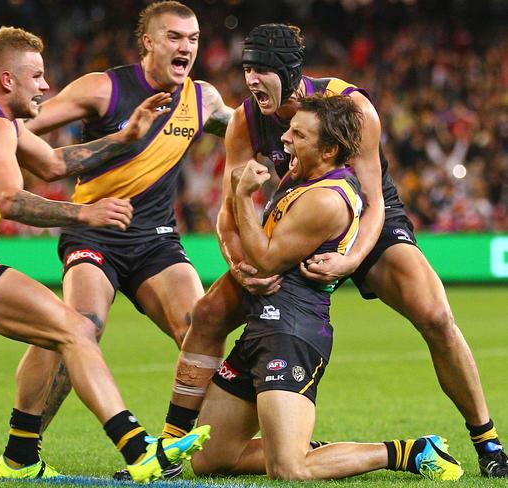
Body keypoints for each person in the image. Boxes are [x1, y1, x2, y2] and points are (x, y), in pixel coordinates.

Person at [164, 23, 508, 478]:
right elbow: (229, 208)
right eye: (247, 68)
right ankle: (168, 450)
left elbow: (373, 201)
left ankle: (487, 441)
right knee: (208, 314)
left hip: (364, 219)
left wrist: (349, 259)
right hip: (299, 219)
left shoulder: (351, 108)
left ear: (288, 71)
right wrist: (238, 264)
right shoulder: (247, 121)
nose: (250, 79)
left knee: (436, 316)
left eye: (261, 69)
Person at [0, 26, 209, 482]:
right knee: (75, 330)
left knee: (56, 331)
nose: (46, 87)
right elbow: (11, 200)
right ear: (8, 80)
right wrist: (85, 214)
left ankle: (20, 457)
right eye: (38, 76)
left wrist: (126, 139)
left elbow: (52, 163)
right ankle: (138, 446)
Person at [0, 1, 233, 478]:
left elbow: (247, 126)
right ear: (148, 41)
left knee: (200, 328)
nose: (185, 47)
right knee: (79, 325)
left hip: (157, 241)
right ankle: (22, 449)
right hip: (94, 232)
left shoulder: (202, 98)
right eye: (174, 37)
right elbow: (17, 126)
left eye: (192, 38)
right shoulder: (103, 88)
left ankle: (170, 448)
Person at [190, 94, 462, 481]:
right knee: (212, 459)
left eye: (298, 135)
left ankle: (405, 452)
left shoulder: (327, 199)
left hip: (291, 334)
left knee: (289, 469)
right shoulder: (305, 177)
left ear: (329, 149)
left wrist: (241, 195)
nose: (285, 139)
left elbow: (265, 259)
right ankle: (314, 451)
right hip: (262, 327)